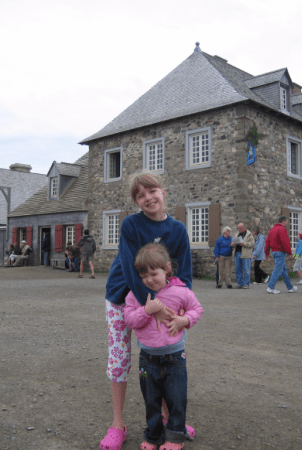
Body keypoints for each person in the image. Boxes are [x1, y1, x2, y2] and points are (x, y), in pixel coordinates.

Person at [100, 173, 194, 450]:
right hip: (121, 298)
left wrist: (179, 308)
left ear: (162, 192)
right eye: (140, 195)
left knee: (162, 360)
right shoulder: (130, 224)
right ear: (136, 202)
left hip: (163, 306)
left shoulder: (178, 230)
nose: (148, 197)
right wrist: (152, 308)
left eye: (152, 190)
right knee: (119, 361)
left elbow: (184, 274)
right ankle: (118, 424)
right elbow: (130, 269)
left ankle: (168, 420)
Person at [125, 243, 203, 449]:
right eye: (144, 275)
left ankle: (175, 438)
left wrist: (183, 321)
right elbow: (130, 320)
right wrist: (146, 310)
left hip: (175, 356)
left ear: (167, 268)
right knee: (151, 401)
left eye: (154, 273)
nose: (149, 279)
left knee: (176, 399)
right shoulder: (135, 295)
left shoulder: (180, 291)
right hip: (147, 358)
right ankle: (153, 436)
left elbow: (197, 309)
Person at [264, 216, 296, 294]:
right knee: (278, 270)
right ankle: (271, 287)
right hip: (280, 252)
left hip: (274, 252)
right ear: (283, 221)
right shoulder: (282, 229)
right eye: (287, 221)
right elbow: (285, 242)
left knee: (283, 270)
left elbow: (267, 242)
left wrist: (267, 253)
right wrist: (290, 253)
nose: (287, 223)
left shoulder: (272, 230)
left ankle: (290, 287)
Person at [231, 223, 255, 289]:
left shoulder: (249, 234)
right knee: (238, 269)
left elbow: (252, 244)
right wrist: (233, 244)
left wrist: (244, 244)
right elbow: (232, 242)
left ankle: (246, 284)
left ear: (244, 227)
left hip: (245, 254)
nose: (239, 229)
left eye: (241, 228)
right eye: (238, 228)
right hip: (237, 253)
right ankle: (240, 283)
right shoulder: (236, 234)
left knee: (246, 269)